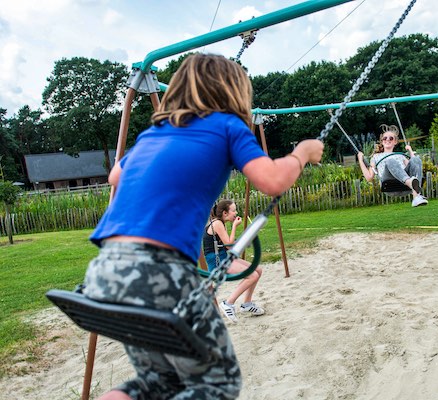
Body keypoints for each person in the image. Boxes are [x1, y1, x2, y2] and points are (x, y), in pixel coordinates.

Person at [83, 53, 323, 400]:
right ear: (235, 94)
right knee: (218, 383)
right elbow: (271, 180)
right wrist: (302, 152)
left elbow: (114, 176)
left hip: (105, 271)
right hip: (157, 270)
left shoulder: (153, 133)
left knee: (158, 380)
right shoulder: (228, 127)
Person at [203, 199, 264, 323]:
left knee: (258, 269)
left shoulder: (220, 223)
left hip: (223, 257)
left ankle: (247, 304)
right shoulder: (217, 224)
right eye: (234, 210)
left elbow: (227, 247)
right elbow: (229, 246)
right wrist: (235, 227)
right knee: (252, 275)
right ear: (225, 213)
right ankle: (228, 303)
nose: (236, 213)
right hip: (218, 262)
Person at [357, 124, 428, 207]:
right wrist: (360, 160)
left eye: (391, 138)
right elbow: (369, 178)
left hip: (404, 186)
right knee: (390, 160)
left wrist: (410, 151)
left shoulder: (401, 156)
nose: (388, 140)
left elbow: (414, 166)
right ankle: (410, 183)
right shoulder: (376, 157)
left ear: (395, 141)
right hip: (389, 184)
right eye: (385, 138)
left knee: (417, 159)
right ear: (382, 141)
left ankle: (416, 196)